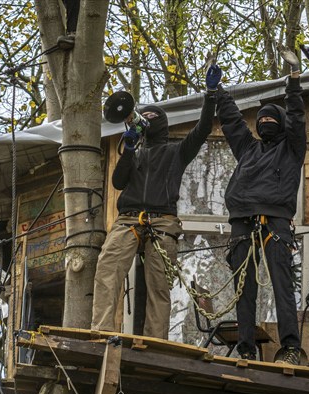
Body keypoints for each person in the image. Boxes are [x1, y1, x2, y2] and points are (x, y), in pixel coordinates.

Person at [90, 65, 223, 339]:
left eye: (153, 116)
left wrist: (211, 95)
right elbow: (118, 182)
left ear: (161, 123)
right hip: (128, 219)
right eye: (144, 115)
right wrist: (128, 150)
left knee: (159, 286)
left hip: (162, 222)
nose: (146, 119)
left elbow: (202, 129)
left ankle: (154, 341)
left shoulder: (176, 152)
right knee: (107, 268)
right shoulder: (135, 153)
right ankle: (100, 332)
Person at [215, 50, 305, 365]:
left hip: (276, 224)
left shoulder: (292, 148)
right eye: (261, 118)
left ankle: (291, 348)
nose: (265, 121)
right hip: (242, 222)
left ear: (279, 124)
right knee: (244, 290)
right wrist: (217, 92)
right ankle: (246, 349)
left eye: (271, 118)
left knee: (282, 287)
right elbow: (231, 122)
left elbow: (296, 116)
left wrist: (294, 81)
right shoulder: (249, 149)